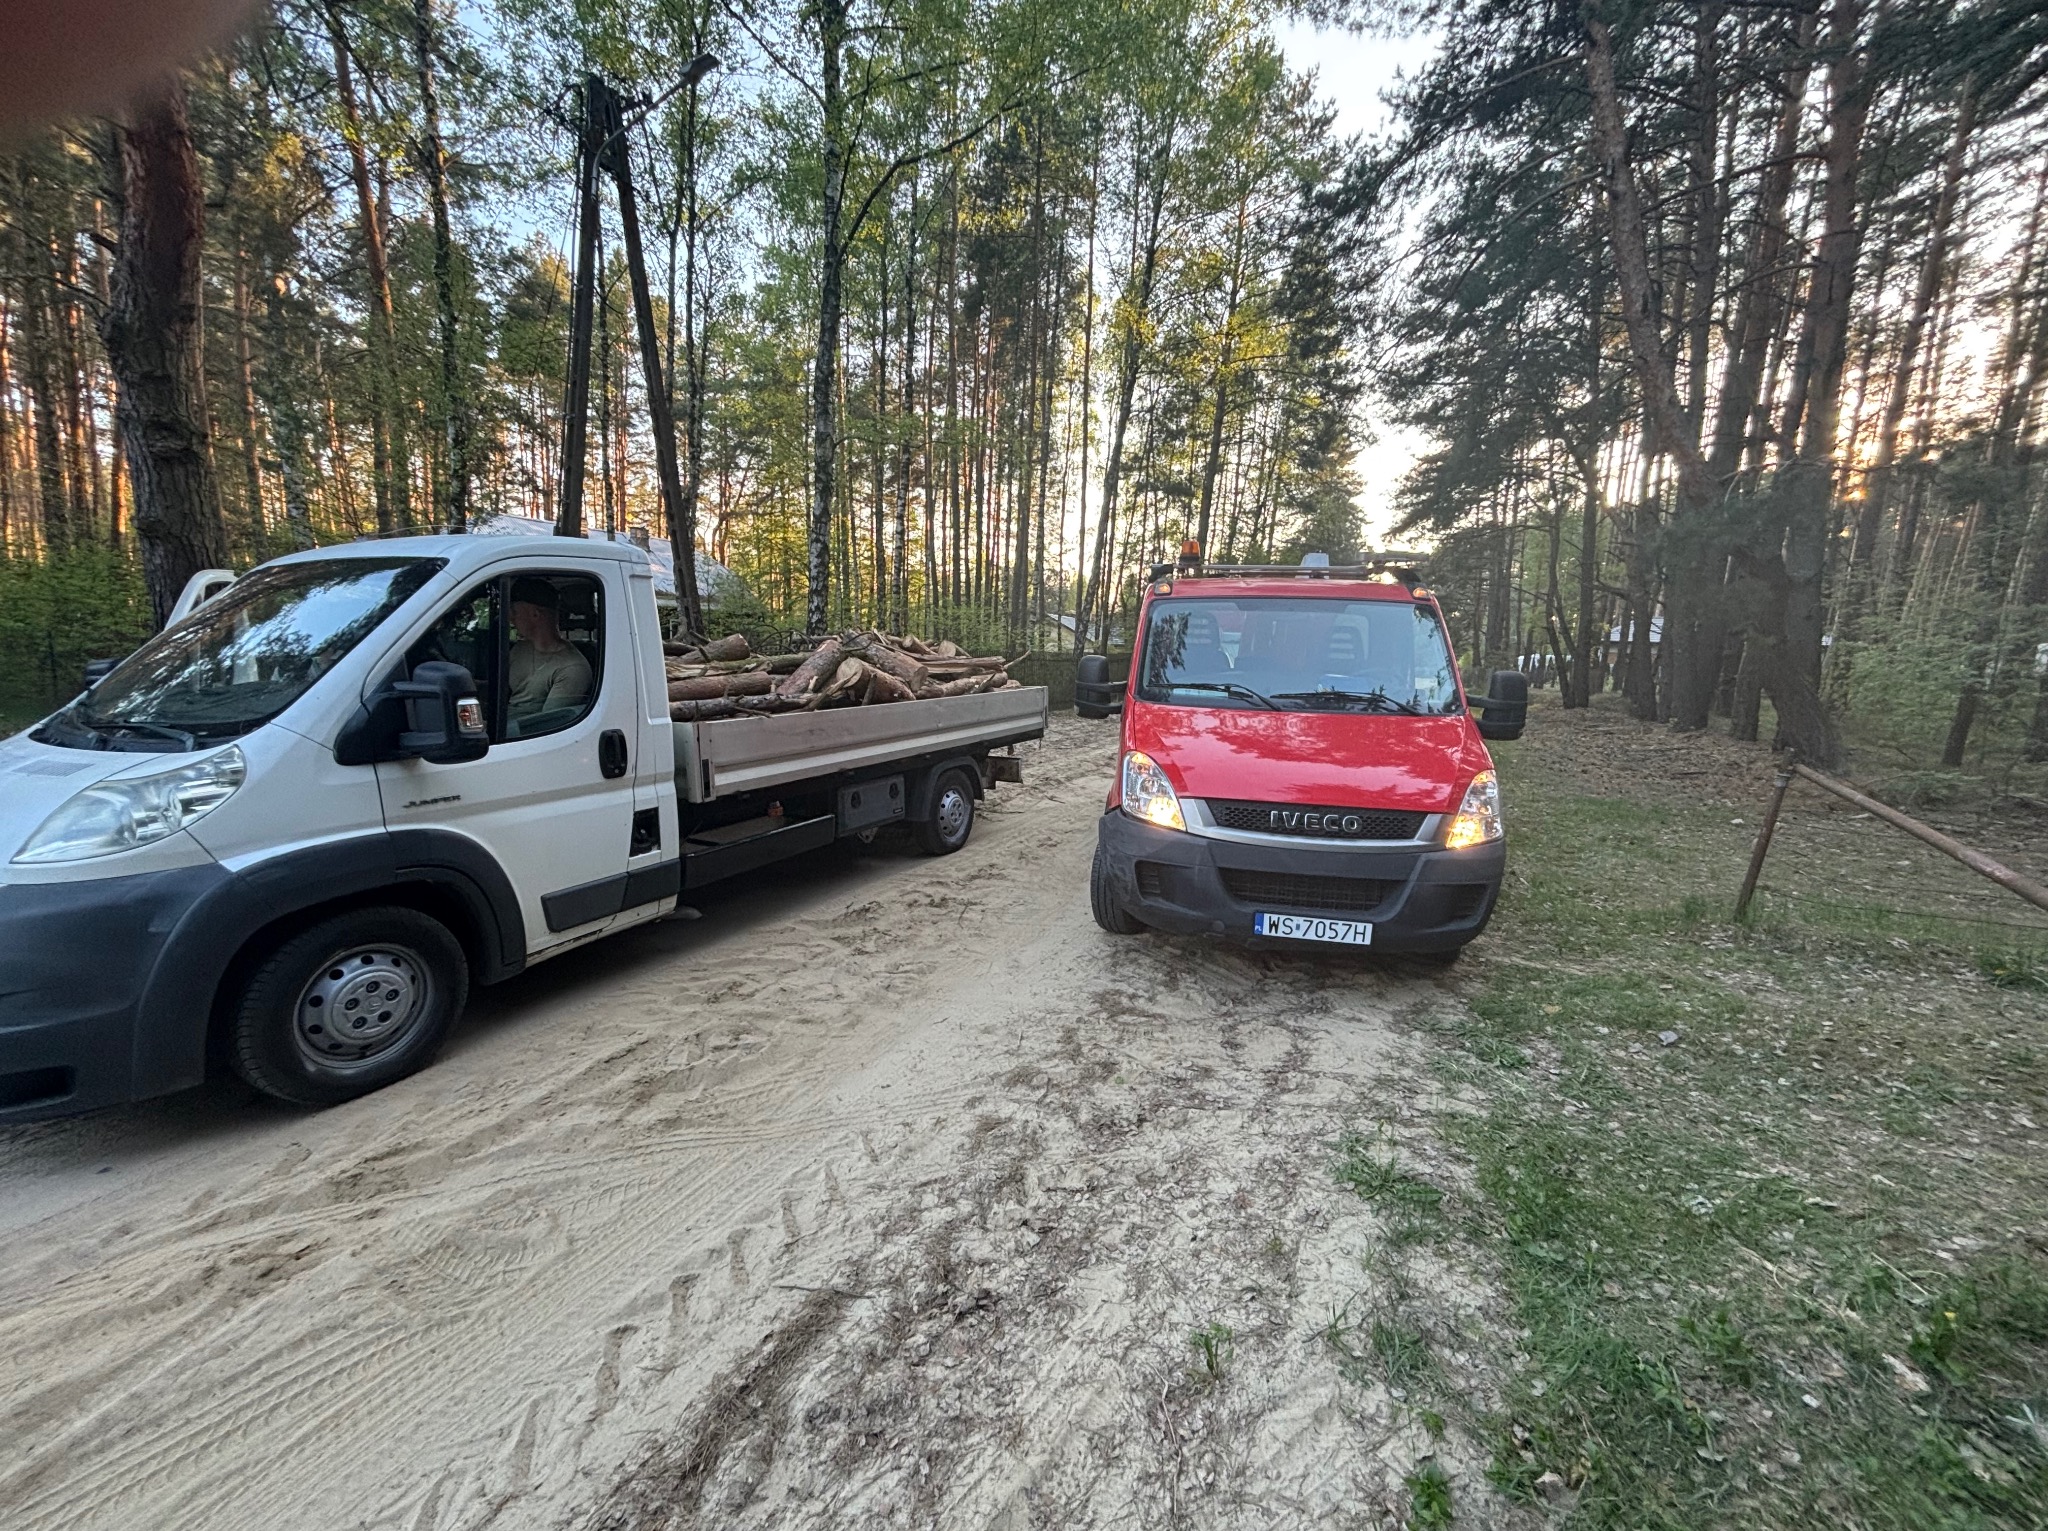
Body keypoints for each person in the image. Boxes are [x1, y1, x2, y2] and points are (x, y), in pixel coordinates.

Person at [507, 578, 592, 727]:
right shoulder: (520, 649)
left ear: (535, 615)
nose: (511, 619)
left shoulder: (572, 668)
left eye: (514, 612)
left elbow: (545, 725)